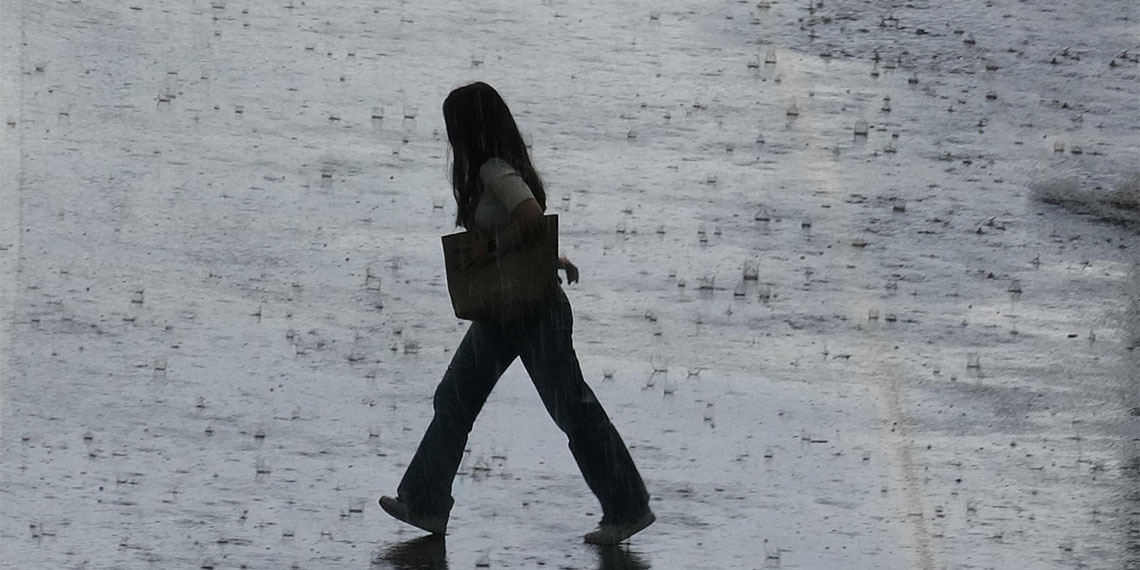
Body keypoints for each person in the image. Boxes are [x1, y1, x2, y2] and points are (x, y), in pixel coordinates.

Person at [379, 82, 654, 545]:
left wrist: (487, 251)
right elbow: (525, 227)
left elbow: (529, 216)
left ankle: (627, 507)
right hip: (504, 308)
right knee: (455, 396)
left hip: (534, 311)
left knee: (572, 407)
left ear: (467, 129)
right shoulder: (493, 171)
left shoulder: (493, 169)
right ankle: (425, 503)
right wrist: (551, 258)